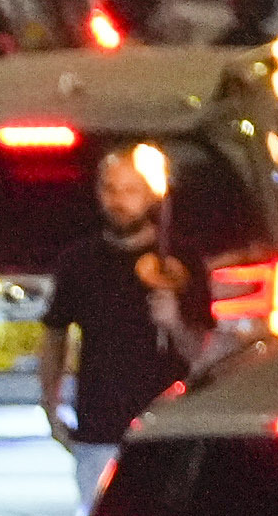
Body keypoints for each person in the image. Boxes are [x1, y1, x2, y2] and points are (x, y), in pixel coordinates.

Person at [41, 143, 211, 458]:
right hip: (99, 429)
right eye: (110, 189)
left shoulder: (183, 260)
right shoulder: (79, 262)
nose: (118, 201)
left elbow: (200, 353)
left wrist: (174, 322)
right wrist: (50, 406)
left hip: (167, 430)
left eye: (130, 191)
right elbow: (54, 335)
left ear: (150, 195)